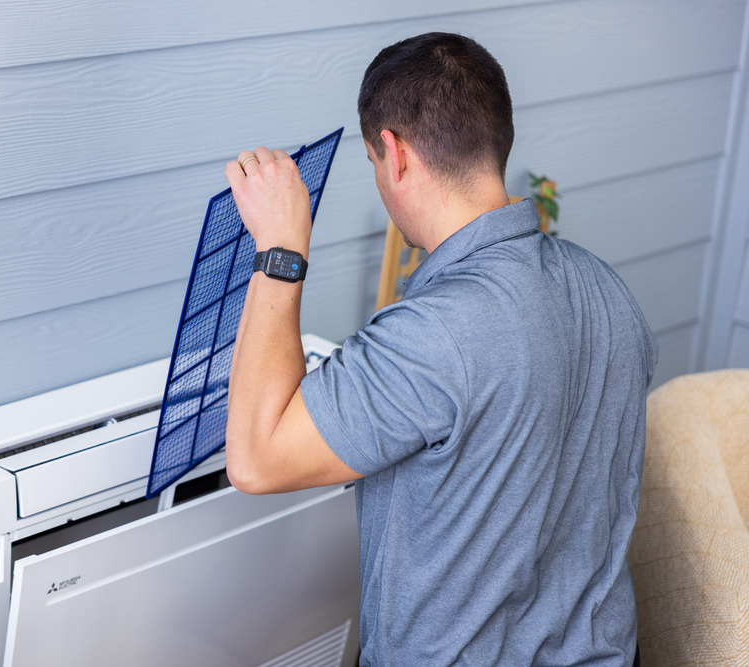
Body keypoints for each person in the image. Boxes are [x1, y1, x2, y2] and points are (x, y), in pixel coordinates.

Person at [223, 32, 657, 665]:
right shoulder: (606, 288)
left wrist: (280, 248)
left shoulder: (434, 333)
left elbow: (255, 460)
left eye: (373, 159)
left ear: (395, 155)